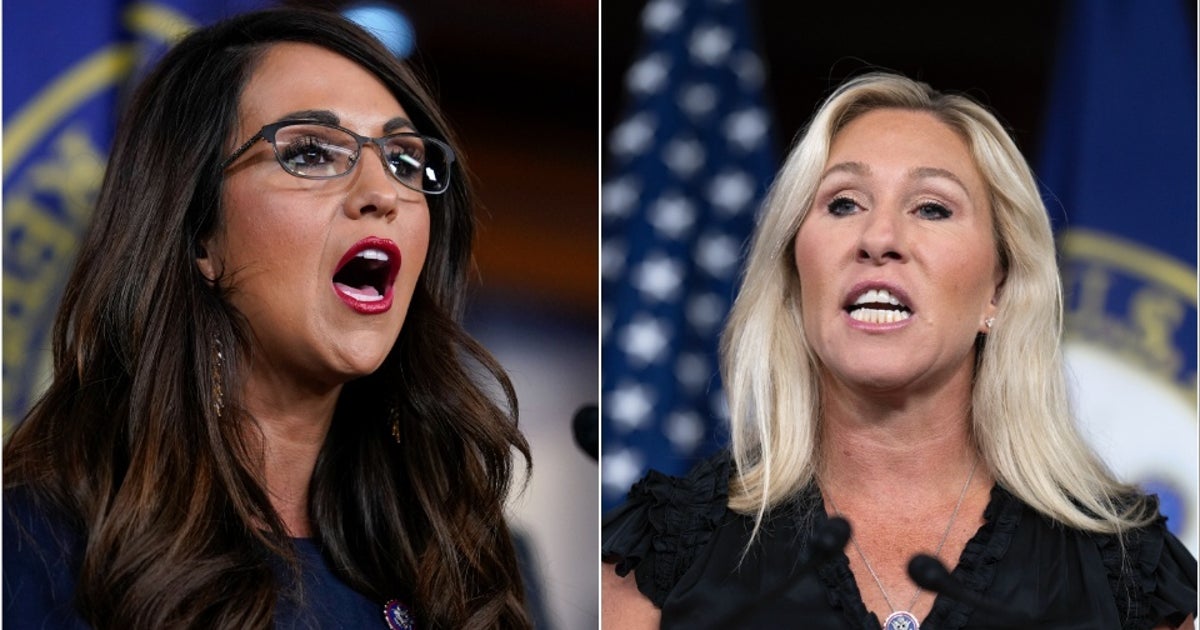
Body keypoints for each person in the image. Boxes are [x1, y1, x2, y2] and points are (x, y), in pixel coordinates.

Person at [601, 73, 1197, 629]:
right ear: (793, 274)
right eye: (843, 203)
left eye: (931, 208)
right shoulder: (665, 550)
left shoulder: (1125, 567)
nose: (879, 239)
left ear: (1000, 287)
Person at [3, 8, 532, 629]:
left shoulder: (458, 558)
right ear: (200, 232)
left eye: (405, 160)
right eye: (310, 153)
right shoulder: (38, 543)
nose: (383, 193)